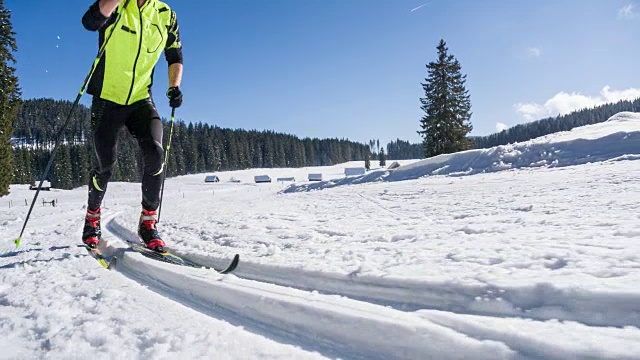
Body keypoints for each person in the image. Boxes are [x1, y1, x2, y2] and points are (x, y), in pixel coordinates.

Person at [80, 0, 183, 252]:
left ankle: (148, 223)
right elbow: (89, 22)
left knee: (155, 153)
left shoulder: (166, 14)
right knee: (105, 164)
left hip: (140, 99)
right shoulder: (117, 4)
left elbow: (175, 55)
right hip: (107, 98)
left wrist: (174, 86)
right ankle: (92, 218)